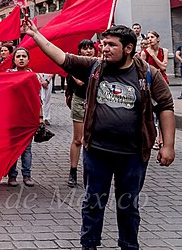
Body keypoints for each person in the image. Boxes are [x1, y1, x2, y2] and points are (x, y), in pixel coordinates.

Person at [23, 19, 175, 250]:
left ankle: (128, 245)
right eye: (103, 44)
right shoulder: (95, 67)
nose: (104, 49)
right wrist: (35, 35)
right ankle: (89, 245)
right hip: (97, 152)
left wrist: (169, 145)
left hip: (133, 155)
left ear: (128, 48)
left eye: (111, 45)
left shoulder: (148, 73)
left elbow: (165, 105)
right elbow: (62, 57)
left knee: (128, 206)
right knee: (93, 204)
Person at [6, 47, 44, 187]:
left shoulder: (34, 76)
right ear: (14, 60)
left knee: (27, 149)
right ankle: (12, 176)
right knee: (13, 148)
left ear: (28, 59)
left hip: (28, 118)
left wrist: (40, 118)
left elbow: (38, 98)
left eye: (24, 56)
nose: (21, 58)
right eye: (18, 56)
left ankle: (27, 175)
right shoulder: (8, 74)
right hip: (13, 117)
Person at [64, 39, 96, 188]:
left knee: (93, 140)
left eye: (91, 48)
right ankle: (73, 171)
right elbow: (78, 82)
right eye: (85, 48)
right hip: (80, 101)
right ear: (80, 51)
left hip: (96, 103)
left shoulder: (100, 64)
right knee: (78, 140)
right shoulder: (77, 67)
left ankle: (91, 172)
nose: (89, 51)